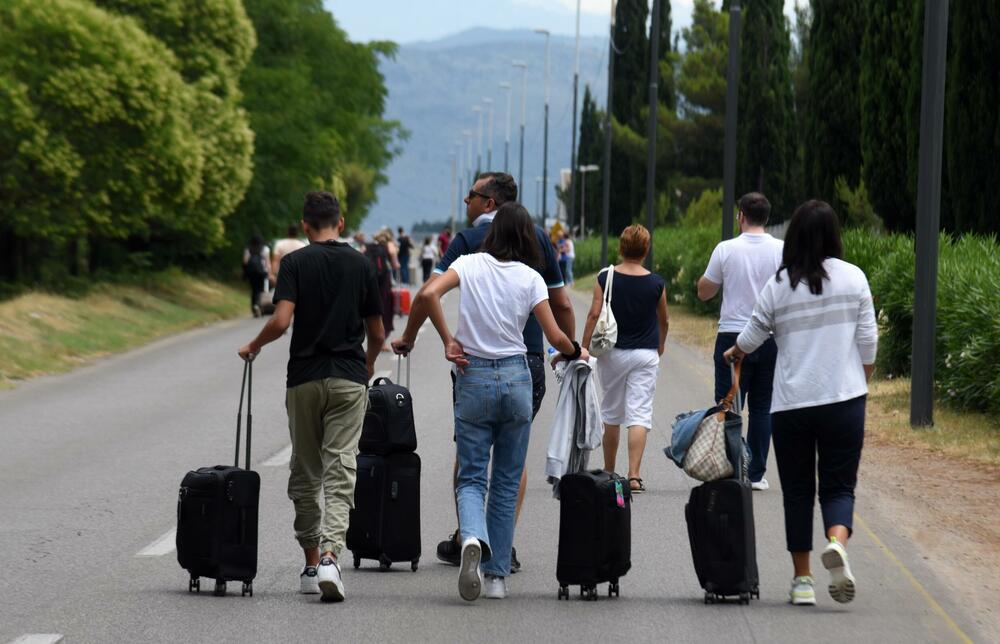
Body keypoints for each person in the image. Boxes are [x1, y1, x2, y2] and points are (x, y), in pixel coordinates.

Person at [392, 202, 586, 601]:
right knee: (506, 479)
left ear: (494, 234)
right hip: (517, 377)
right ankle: (496, 578)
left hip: (473, 376)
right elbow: (553, 334)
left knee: (471, 476)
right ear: (527, 238)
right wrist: (576, 350)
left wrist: (448, 339)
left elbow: (427, 293)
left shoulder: (468, 263)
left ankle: (471, 539)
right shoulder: (532, 277)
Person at [724, 200, 877, 607]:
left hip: (792, 403)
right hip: (844, 400)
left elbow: (754, 333)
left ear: (792, 236)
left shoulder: (780, 283)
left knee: (797, 491)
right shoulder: (854, 278)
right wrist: (858, 384)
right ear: (833, 234)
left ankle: (803, 581)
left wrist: (734, 352)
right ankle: (837, 542)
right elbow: (869, 343)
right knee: (839, 486)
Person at [238, 191, 385, 603]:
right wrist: (369, 364)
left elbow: (282, 321)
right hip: (349, 378)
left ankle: (310, 562)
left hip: (303, 378)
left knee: (305, 471)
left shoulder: (295, 262)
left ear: (305, 226)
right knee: (341, 469)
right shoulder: (361, 263)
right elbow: (376, 333)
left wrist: (254, 345)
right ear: (341, 223)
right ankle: (332, 559)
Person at [697, 192, 784, 491]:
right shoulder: (782, 250)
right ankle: (757, 474)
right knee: (763, 407)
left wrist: (707, 282)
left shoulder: (726, 249)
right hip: (770, 337)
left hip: (732, 335)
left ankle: (733, 469)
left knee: (728, 404)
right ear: (767, 218)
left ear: (741, 216)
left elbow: (705, 291)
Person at [580, 224, 668, 493]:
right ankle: (634, 475)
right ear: (646, 250)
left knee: (612, 412)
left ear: (621, 247)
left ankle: (609, 471)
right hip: (645, 354)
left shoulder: (605, 277)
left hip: (612, 353)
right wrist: (660, 345)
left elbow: (594, 314)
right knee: (640, 413)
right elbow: (663, 319)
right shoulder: (656, 283)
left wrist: (583, 347)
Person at [366, 231, 395, 349]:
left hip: (370, 284)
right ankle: (382, 342)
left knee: (371, 312)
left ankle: (371, 341)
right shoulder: (389, 246)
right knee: (385, 311)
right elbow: (396, 264)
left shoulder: (368, 247)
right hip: (384, 285)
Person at [242, 234, 271, 317]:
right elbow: (267, 263)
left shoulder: (248, 249)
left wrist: (245, 272)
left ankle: (254, 306)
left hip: (252, 273)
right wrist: (269, 273)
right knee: (262, 290)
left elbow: (245, 262)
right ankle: (259, 306)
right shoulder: (265, 249)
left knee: (254, 290)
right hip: (262, 273)